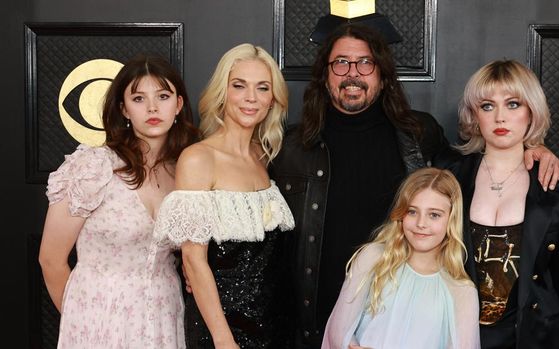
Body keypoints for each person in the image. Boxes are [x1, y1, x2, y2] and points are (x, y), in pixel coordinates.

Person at [269, 23, 559, 348]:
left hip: (400, 323)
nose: (352, 73)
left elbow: (478, 164)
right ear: (325, 75)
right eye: (341, 62)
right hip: (317, 324)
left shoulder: (419, 135)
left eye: (365, 63)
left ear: (382, 75)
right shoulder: (291, 148)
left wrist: (533, 147)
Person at [38, 54, 200, 348]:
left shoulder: (187, 172)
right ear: (124, 109)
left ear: (178, 105)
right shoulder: (94, 166)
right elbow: (50, 260)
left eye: (163, 96)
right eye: (139, 98)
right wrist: (83, 324)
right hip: (98, 319)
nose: (152, 107)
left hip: (163, 319)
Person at [153, 43, 294, 349]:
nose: (250, 98)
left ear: (272, 100)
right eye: (239, 85)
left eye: (262, 88)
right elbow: (193, 260)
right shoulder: (199, 159)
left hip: (272, 324)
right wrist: (222, 339)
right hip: (222, 328)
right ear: (223, 92)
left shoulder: (265, 156)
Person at [438, 60, 559, 348]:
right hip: (457, 331)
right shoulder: (448, 174)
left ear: (532, 112)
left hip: (535, 334)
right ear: (474, 115)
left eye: (513, 104)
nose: (500, 118)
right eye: (488, 106)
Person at [322, 168, 480, 349]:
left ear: (451, 219)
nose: (421, 224)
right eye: (412, 212)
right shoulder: (373, 258)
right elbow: (338, 331)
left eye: (434, 215)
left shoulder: (462, 291)